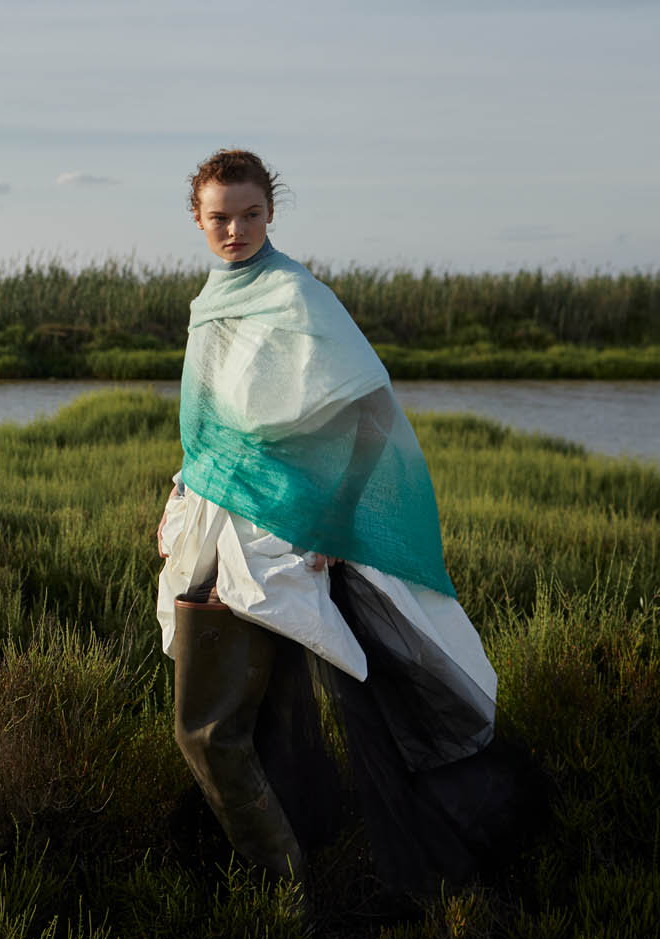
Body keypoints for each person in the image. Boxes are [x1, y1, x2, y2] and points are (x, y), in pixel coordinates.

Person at [155, 149, 542, 893]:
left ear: (271, 212)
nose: (235, 230)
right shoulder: (213, 299)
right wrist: (178, 496)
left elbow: (371, 413)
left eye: (250, 214)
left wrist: (337, 516)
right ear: (197, 220)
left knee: (208, 727)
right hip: (217, 516)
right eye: (220, 217)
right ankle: (290, 864)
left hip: (281, 534)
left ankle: (286, 892)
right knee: (259, 717)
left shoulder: (297, 296)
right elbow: (210, 428)